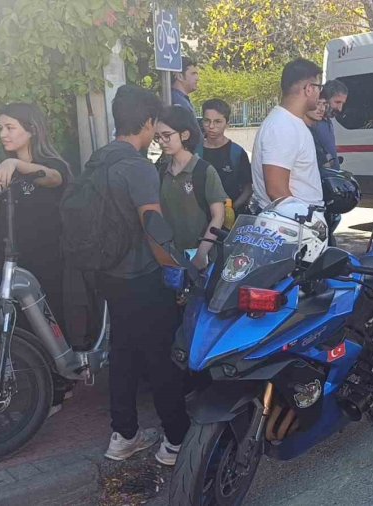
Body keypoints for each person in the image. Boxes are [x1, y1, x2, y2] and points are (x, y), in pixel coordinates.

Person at [91, 85, 189, 466]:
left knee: (123, 353)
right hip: (141, 277)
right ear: (147, 122)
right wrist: (174, 273)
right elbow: (154, 228)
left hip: (108, 274)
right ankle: (177, 440)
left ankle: (124, 435)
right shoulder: (138, 167)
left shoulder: (98, 160)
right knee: (160, 358)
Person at [0, 103, 71, 329]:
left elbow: (54, 177)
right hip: (13, 263)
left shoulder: (52, 165)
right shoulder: (3, 171)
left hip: (50, 263)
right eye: (0, 128)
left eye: (10, 127)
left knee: (53, 327)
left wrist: (15, 163)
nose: (3, 134)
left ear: (32, 129)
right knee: (18, 329)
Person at [155, 106, 227, 270]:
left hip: (201, 259)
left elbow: (219, 216)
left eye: (167, 136)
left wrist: (201, 254)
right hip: (169, 258)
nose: (161, 142)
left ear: (185, 134)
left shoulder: (204, 171)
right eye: (158, 137)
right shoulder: (160, 172)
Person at [251, 58, 325, 210]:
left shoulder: (290, 122)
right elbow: (276, 190)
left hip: (295, 222)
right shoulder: (282, 126)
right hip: (291, 225)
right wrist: (308, 222)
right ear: (309, 88)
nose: (320, 93)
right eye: (319, 87)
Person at [201, 99, 252, 211]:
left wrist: (233, 208)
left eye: (218, 121)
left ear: (227, 124)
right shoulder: (194, 151)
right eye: (207, 121)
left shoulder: (237, 153)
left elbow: (248, 188)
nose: (211, 126)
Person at [309, 80, 348, 171]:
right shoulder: (312, 124)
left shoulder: (327, 122)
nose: (340, 109)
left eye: (342, 103)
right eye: (337, 102)